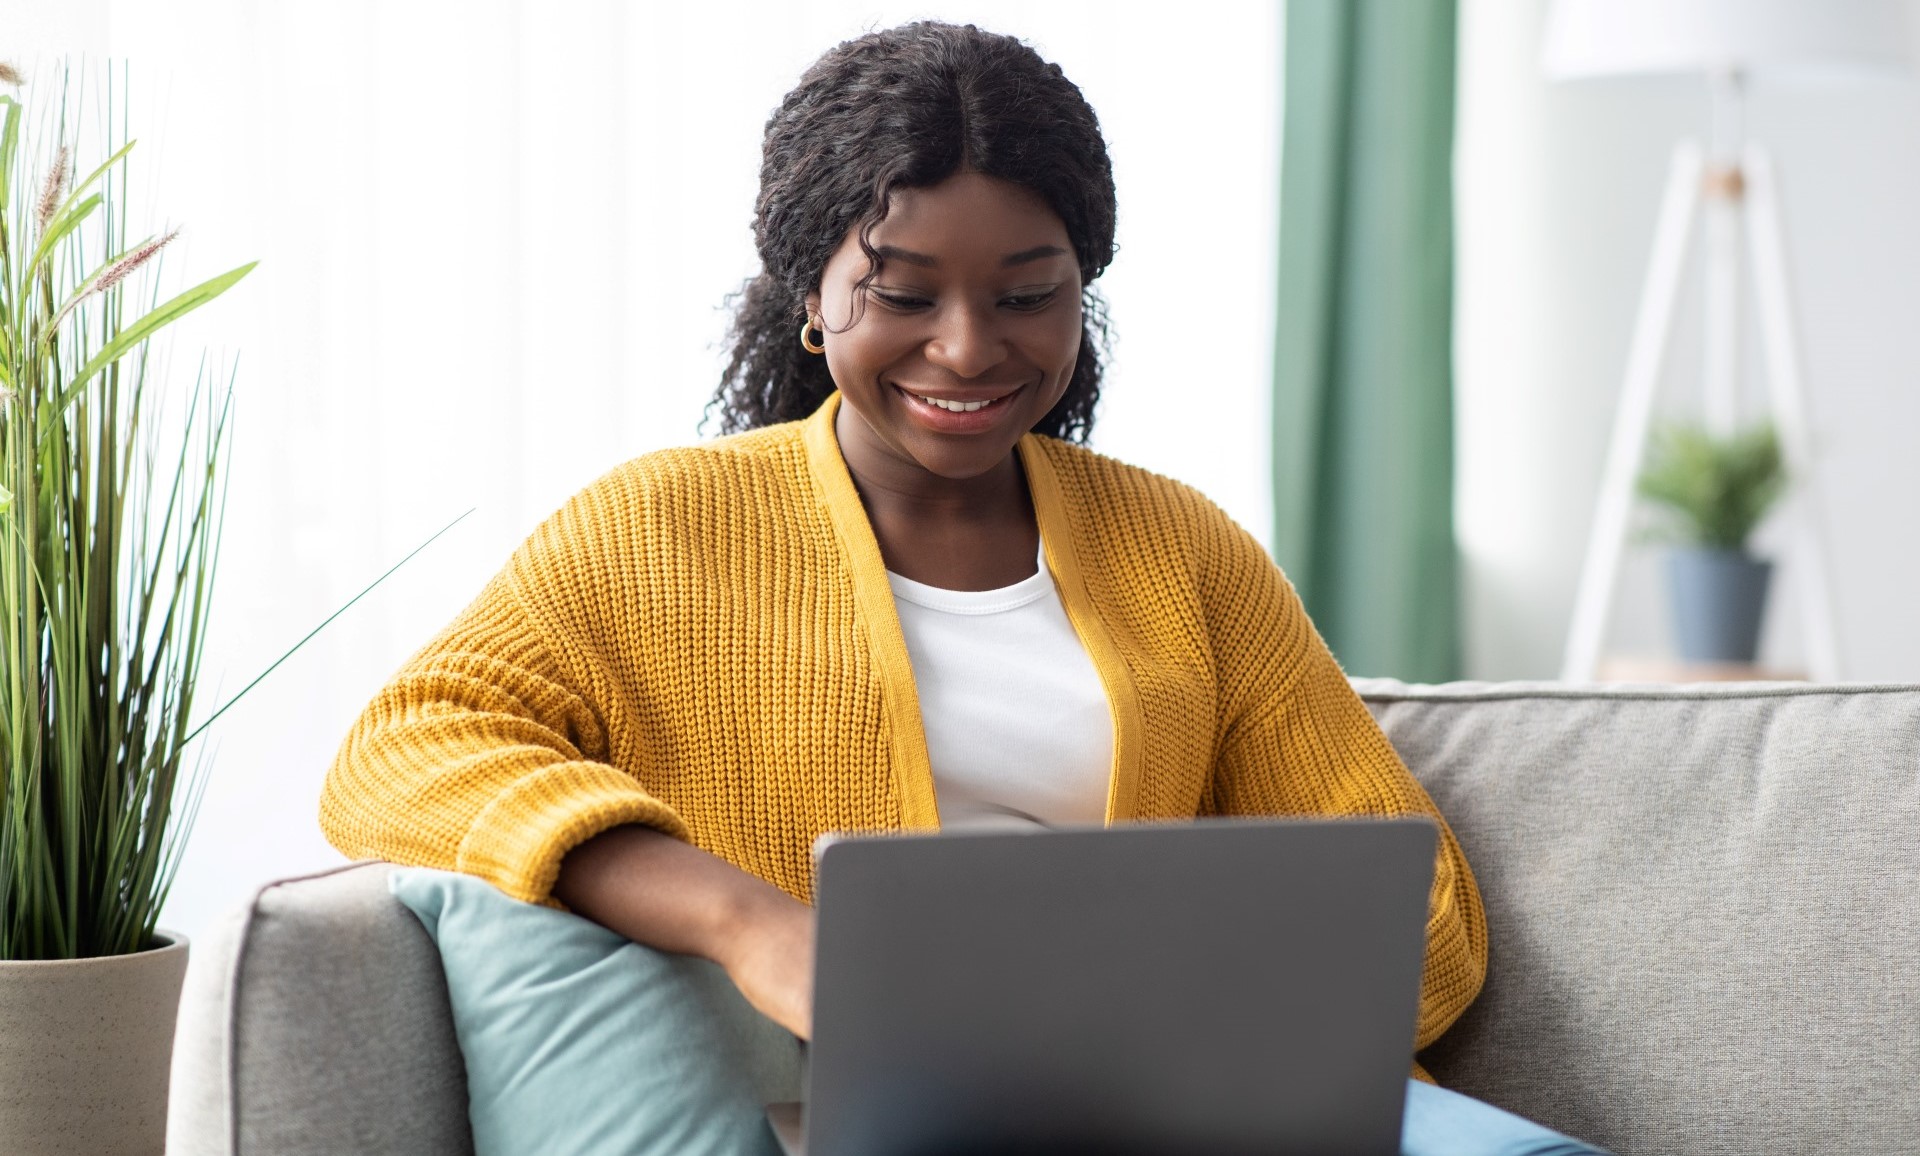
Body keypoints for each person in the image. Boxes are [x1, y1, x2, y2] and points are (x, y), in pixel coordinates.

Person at [322, 21, 1604, 1155]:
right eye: (903, 294)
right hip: (903, 1107)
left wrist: (1179, 996)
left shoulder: (1183, 548)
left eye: (1027, 296)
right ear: (813, 301)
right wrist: (753, 924)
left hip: (1207, 1097)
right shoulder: (664, 523)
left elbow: (1422, 914)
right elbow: (403, 749)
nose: (969, 347)